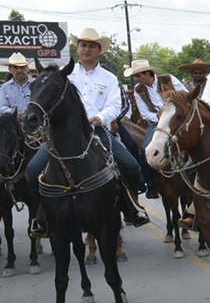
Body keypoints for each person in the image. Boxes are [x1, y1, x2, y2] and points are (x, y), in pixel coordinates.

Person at [26, 27, 148, 236]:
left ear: (99, 50)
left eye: (92, 46)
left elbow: (114, 105)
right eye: (83, 45)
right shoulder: (64, 74)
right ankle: (41, 217)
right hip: (63, 136)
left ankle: (132, 209)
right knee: (32, 169)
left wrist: (100, 118)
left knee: (131, 165)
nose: (87, 49)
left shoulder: (108, 77)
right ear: (77, 48)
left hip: (96, 131)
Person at [123, 59, 186, 199]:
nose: (137, 79)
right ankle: (151, 186)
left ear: (147, 73)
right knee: (145, 149)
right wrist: (162, 118)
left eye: (138, 76)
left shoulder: (168, 79)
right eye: (135, 76)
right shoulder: (138, 91)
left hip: (177, 119)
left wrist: (172, 114)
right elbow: (145, 113)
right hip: (156, 123)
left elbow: (185, 94)